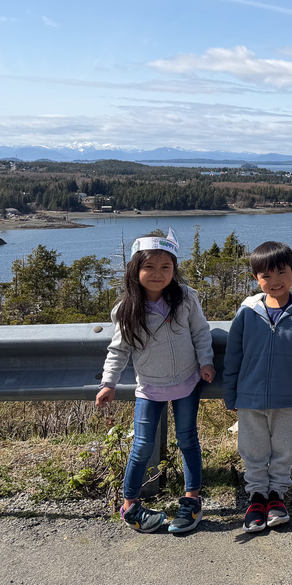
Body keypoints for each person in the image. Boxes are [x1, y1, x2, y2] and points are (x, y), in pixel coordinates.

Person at [96, 229, 215, 535]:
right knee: (141, 446)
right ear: (135, 270)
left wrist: (206, 362)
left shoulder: (186, 298)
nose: (157, 274)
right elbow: (118, 350)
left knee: (188, 440)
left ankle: (192, 499)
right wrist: (109, 383)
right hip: (149, 387)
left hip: (188, 382)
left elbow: (201, 332)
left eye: (166, 267)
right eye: (149, 267)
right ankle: (130, 506)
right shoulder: (126, 310)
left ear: (174, 270)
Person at [223, 241, 292, 534]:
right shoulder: (248, 311)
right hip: (250, 398)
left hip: (289, 399)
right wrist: (231, 394)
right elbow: (233, 356)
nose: (274, 281)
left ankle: (277, 496)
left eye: (281, 272)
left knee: (283, 451)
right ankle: (256, 498)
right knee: (252, 451)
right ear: (257, 278)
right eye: (266, 276)